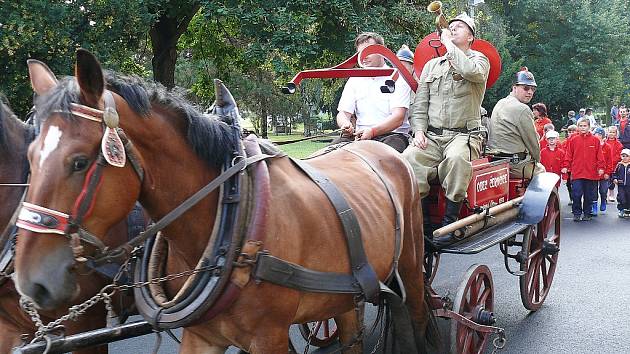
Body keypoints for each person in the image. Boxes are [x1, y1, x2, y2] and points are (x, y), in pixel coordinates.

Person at [402, 13, 489, 247]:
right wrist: (418, 131)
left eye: (459, 27)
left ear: (470, 36)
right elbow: (419, 105)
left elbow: (471, 72)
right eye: (450, 27)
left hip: (463, 135)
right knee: (407, 160)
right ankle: (420, 224)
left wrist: (449, 45)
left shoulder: (479, 61)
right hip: (432, 136)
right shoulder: (431, 66)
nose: (452, 29)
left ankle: (449, 224)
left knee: (457, 160)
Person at [334, 32, 412, 153]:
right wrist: (345, 124)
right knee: (326, 155)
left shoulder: (398, 77)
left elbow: (398, 118)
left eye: (368, 51)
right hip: (359, 136)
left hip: (392, 136)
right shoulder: (354, 79)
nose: (363, 57)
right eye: (360, 53)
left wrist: (372, 132)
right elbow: (343, 113)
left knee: (386, 159)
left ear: (382, 51)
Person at [487, 67, 545, 179]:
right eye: (526, 88)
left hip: (496, 162)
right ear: (514, 88)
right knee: (542, 172)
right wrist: (537, 161)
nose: (530, 92)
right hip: (516, 165)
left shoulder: (500, 103)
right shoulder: (522, 109)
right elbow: (533, 144)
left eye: (533, 89)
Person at [561, 118, 605, 221]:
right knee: (576, 193)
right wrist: (566, 166)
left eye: (584, 126)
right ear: (578, 127)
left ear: (589, 127)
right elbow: (569, 155)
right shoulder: (573, 140)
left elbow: (599, 156)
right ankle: (577, 213)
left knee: (589, 195)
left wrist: (601, 167)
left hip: (591, 173)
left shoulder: (595, 140)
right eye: (580, 126)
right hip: (577, 172)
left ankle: (587, 213)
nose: (582, 128)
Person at [591, 127, 612, 215]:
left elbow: (609, 161)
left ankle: (603, 200)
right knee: (593, 190)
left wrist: (607, 172)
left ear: (603, 136)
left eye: (599, 135)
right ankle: (594, 205)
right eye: (595, 134)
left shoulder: (607, 147)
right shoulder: (591, 145)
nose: (597, 136)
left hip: (604, 172)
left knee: (603, 190)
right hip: (593, 172)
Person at [606, 125, 623, 202]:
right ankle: (608, 194)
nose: (611, 134)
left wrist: (614, 160)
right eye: (610, 132)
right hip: (606, 164)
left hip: (615, 165)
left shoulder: (618, 144)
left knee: (614, 180)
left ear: (616, 134)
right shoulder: (605, 142)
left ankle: (614, 194)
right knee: (607, 180)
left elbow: (620, 154)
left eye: (613, 132)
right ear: (607, 133)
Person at [612, 149, 630, 218]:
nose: (625, 157)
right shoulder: (619, 165)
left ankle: (628, 210)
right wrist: (615, 178)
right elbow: (614, 173)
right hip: (621, 185)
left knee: (628, 197)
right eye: (623, 156)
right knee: (621, 197)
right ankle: (621, 210)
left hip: (629, 185)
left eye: (627, 156)